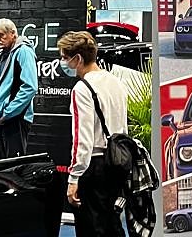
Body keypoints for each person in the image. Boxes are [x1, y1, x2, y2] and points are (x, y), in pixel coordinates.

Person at [62, 31, 128, 237]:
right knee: (111, 226)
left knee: (91, 229)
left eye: (65, 57)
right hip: (117, 163)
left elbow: (82, 138)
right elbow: (123, 130)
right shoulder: (116, 82)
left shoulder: (81, 89)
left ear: (78, 58)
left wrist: (74, 177)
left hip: (93, 167)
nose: (63, 62)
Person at [0, 19, 39, 158]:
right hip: (4, 119)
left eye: (1, 35)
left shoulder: (23, 51)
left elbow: (30, 87)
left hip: (16, 119)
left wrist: (8, 113)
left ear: (13, 33)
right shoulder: (2, 55)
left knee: (14, 165)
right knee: (4, 164)